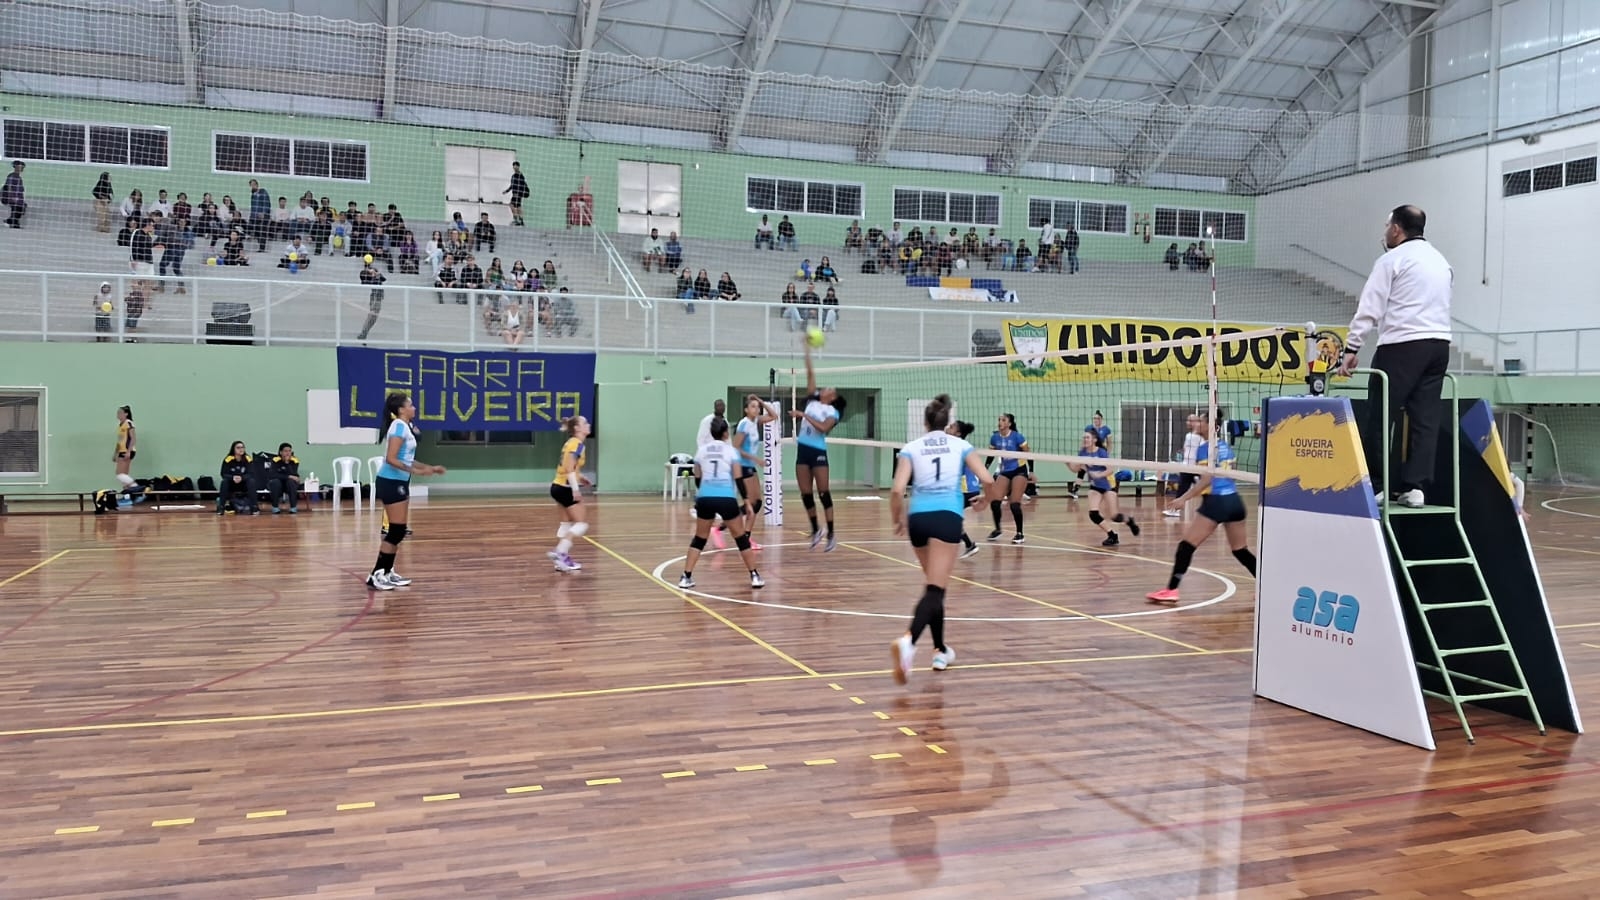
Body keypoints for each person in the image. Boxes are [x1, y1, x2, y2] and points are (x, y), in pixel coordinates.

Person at [1335, 204, 1453, 509]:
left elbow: (1370, 308)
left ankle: (1378, 484)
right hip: (1439, 347)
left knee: (1380, 415)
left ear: (1396, 229)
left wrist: (1351, 348)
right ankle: (1415, 488)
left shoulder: (1392, 260)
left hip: (1403, 346)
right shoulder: (1441, 262)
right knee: (1424, 418)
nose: (1385, 233)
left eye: (1387, 227)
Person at [889, 395, 999, 683]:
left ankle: (940, 650)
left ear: (925, 422)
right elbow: (988, 480)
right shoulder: (961, 445)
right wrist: (985, 501)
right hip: (946, 518)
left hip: (919, 520)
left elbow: (897, 490)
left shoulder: (911, 448)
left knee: (934, 589)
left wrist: (896, 519)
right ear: (948, 423)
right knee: (935, 591)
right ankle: (909, 641)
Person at [1147, 420, 1255, 603]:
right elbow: (1231, 472)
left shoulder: (1205, 448)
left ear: (1215, 427)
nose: (1197, 423)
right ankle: (1267, 586)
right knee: (1240, 551)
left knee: (1185, 547)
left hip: (1216, 502)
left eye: (1202, 421)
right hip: (1235, 501)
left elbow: (1206, 480)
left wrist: (1183, 498)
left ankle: (1171, 590)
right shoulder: (1225, 447)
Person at [367, 393, 446, 591]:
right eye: (411, 405)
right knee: (396, 530)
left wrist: (429, 467)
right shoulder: (398, 427)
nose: (414, 408)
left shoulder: (406, 427)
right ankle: (377, 573)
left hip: (399, 481)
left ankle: (387, 571)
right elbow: (391, 459)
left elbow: (408, 457)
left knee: (398, 530)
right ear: (401, 409)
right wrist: (418, 471)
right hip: (390, 481)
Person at [676, 417, 766, 590]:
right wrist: (747, 501)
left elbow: (698, 477)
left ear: (711, 432)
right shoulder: (731, 452)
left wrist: (704, 493)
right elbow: (739, 478)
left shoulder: (701, 451)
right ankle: (754, 576)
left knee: (699, 539)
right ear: (726, 433)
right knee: (741, 539)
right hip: (726, 498)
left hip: (705, 497)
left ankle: (685, 577)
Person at [790, 339, 846, 550]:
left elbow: (823, 428)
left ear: (832, 397)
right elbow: (810, 373)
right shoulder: (812, 400)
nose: (825, 388)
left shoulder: (833, 412)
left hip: (818, 453)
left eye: (829, 389)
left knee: (823, 492)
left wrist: (803, 414)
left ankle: (831, 533)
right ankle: (816, 529)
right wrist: (806, 349)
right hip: (802, 451)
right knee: (805, 494)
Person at [1073, 430, 1139, 547]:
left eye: (1087, 438)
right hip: (1095, 486)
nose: (1085, 440)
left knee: (1114, 516)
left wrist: (1099, 475)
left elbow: (1110, 469)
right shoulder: (1083, 452)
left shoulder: (1101, 452)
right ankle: (1112, 535)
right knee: (1093, 514)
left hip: (1108, 485)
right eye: (1084, 438)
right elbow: (1077, 469)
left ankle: (1129, 520)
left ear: (1094, 440)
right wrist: (1067, 463)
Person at [548, 415, 594, 573]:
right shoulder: (577, 444)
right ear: (577, 428)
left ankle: (560, 562)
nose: (588, 425)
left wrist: (581, 477)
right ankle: (560, 552)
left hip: (557, 486)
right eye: (585, 423)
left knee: (565, 525)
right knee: (581, 524)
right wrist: (575, 489)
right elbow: (568, 469)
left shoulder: (571, 443)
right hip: (565, 488)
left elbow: (571, 468)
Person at [734, 394, 777, 548]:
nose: (756, 409)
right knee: (752, 504)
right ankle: (721, 528)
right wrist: (756, 459)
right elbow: (735, 447)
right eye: (753, 406)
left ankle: (746, 538)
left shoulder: (755, 421)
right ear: (746, 410)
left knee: (756, 504)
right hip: (742, 466)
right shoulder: (744, 424)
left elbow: (774, 415)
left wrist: (761, 401)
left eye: (757, 407)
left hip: (750, 466)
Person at [986, 413, 1032, 544]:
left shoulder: (1017, 437)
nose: (1000, 422)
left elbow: (1029, 454)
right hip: (1005, 471)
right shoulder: (995, 438)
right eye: (999, 419)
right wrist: (985, 469)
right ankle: (998, 529)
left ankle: (1020, 533)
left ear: (1009, 424)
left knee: (1014, 504)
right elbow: (991, 455)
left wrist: (1032, 471)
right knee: (995, 502)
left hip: (1019, 470)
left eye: (1003, 420)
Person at [948, 419, 981, 559]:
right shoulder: (957, 445)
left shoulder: (959, 447)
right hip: (967, 489)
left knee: (946, 517)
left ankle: (966, 545)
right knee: (949, 518)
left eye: (952, 426)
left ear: (958, 433)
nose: (949, 427)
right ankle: (969, 545)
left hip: (966, 490)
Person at [1167, 414, 1206, 518]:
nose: (1187, 423)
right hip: (1187, 466)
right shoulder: (1189, 435)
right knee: (1182, 488)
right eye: (1187, 420)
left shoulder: (1200, 437)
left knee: (1206, 487)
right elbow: (1186, 449)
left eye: (1190, 421)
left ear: (1196, 422)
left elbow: (1202, 450)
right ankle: (1174, 509)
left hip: (1197, 467)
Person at [112, 406, 144, 500]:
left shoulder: (128, 423)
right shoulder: (120, 425)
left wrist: (128, 451)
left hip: (127, 451)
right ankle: (127, 497)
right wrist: (115, 453)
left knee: (120, 474)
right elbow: (119, 441)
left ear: (126, 414)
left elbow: (133, 438)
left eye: (120, 412)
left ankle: (136, 489)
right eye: (118, 413)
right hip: (121, 451)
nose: (118, 414)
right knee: (124, 476)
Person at [217, 440, 256, 516]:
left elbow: (251, 473)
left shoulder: (248, 459)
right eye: (238, 448)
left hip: (244, 484)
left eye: (242, 447)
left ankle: (254, 506)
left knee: (251, 481)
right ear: (233, 449)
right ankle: (221, 507)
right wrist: (232, 477)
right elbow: (223, 474)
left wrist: (242, 478)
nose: (241, 449)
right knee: (224, 482)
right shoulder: (228, 459)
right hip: (232, 484)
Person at [266, 442, 302, 514]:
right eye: (285, 451)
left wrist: (287, 463)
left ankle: (293, 507)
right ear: (280, 452)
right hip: (278, 484)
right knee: (275, 482)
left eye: (289, 451)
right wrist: (288, 476)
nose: (288, 453)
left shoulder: (294, 460)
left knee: (291, 482)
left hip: (288, 484)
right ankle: (275, 507)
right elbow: (273, 475)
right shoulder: (275, 460)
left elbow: (293, 474)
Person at [357, 260, 386, 343]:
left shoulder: (377, 277)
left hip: (379, 298)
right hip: (374, 298)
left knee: (374, 319)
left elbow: (384, 279)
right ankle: (363, 333)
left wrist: (377, 274)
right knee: (371, 315)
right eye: (371, 271)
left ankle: (365, 333)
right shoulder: (368, 278)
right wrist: (374, 276)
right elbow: (363, 282)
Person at [504, 161, 530, 226]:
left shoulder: (520, 175)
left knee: (512, 205)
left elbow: (521, 185)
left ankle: (516, 219)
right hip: (515, 193)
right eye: (514, 166)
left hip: (517, 194)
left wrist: (518, 193)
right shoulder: (513, 176)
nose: (515, 167)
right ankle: (521, 220)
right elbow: (512, 185)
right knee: (518, 206)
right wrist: (507, 191)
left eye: (516, 166)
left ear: (518, 167)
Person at [2, 161, 24, 229]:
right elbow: (9, 186)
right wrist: (11, 197)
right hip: (13, 197)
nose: (22, 168)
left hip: (18, 198)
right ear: (16, 167)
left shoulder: (18, 177)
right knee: (16, 209)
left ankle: (11, 222)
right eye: (20, 166)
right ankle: (13, 223)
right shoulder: (12, 176)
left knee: (19, 210)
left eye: (23, 167)